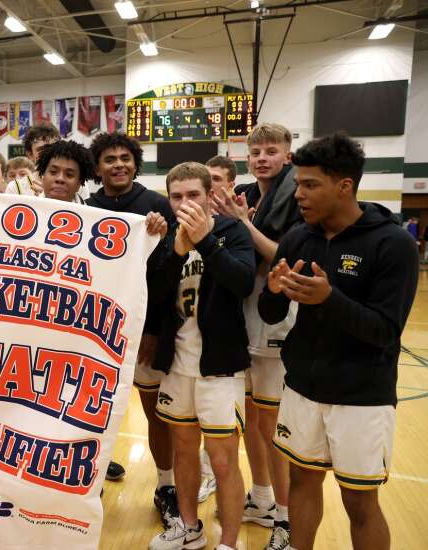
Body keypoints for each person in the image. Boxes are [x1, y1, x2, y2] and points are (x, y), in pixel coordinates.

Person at [259, 133, 419, 550]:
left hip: (361, 396)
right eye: (298, 184)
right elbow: (270, 315)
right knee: (301, 481)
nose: (299, 194)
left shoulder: (393, 243)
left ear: (344, 186)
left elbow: (385, 331)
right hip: (302, 388)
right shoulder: (297, 238)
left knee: (360, 501)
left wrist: (330, 299)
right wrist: (273, 294)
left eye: (310, 185)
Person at [148, 162, 255, 550]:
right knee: (183, 453)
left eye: (193, 194)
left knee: (223, 461)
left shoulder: (232, 231)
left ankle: (228, 542)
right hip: (177, 364)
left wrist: (205, 241)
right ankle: (190, 528)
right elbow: (153, 295)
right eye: (176, 196)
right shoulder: (165, 237)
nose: (184, 203)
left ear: (210, 195)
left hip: (219, 367)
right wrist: (175, 251)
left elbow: (243, 282)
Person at [213, 123, 299, 548]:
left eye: (272, 150)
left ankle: (285, 519)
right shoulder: (255, 194)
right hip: (249, 319)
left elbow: (284, 257)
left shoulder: (296, 197)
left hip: (279, 324)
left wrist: (241, 224)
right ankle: (263, 499)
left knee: (272, 427)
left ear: (287, 155)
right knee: (252, 421)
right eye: (256, 152)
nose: (263, 157)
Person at [86, 131, 178, 525]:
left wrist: (154, 330)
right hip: (96, 329)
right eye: (110, 159)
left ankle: (166, 484)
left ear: (136, 162)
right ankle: (87, 483)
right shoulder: (88, 208)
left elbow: (169, 273)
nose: (118, 164)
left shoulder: (157, 206)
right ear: (98, 167)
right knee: (91, 413)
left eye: (125, 157)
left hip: (144, 328)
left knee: (154, 411)